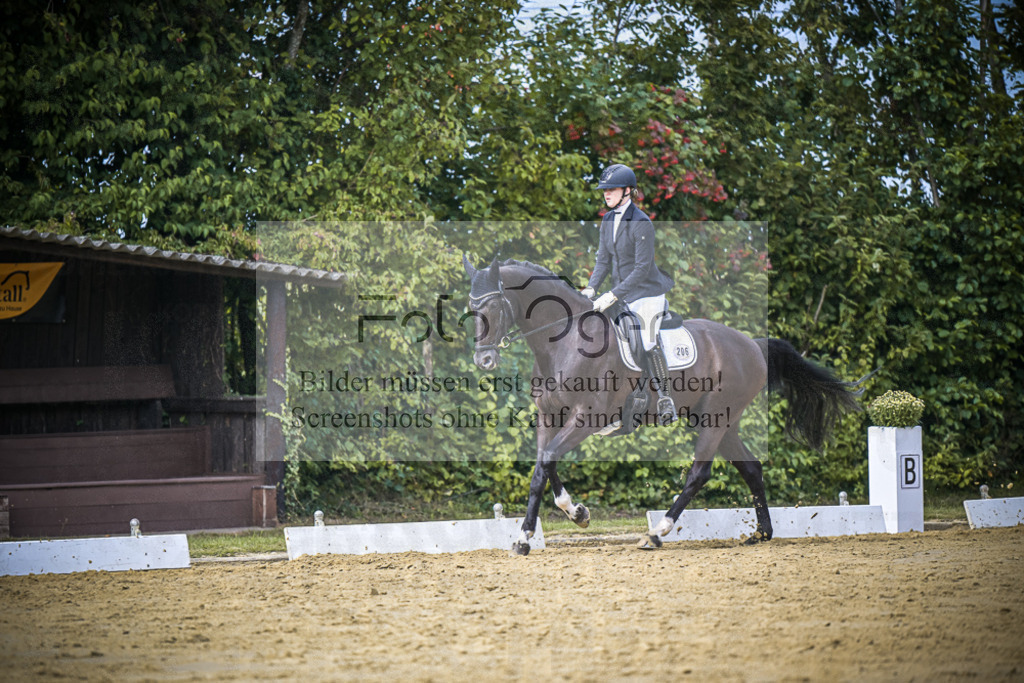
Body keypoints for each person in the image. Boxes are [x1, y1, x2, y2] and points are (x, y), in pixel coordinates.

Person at [581, 163, 677, 425]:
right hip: (621, 294)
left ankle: (666, 398)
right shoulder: (608, 219)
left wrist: (611, 295)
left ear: (627, 191)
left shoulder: (641, 222)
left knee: (646, 340)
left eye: (611, 189)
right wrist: (591, 287)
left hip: (646, 292)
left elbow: (641, 269)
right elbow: (602, 260)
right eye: (604, 190)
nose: (606, 194)